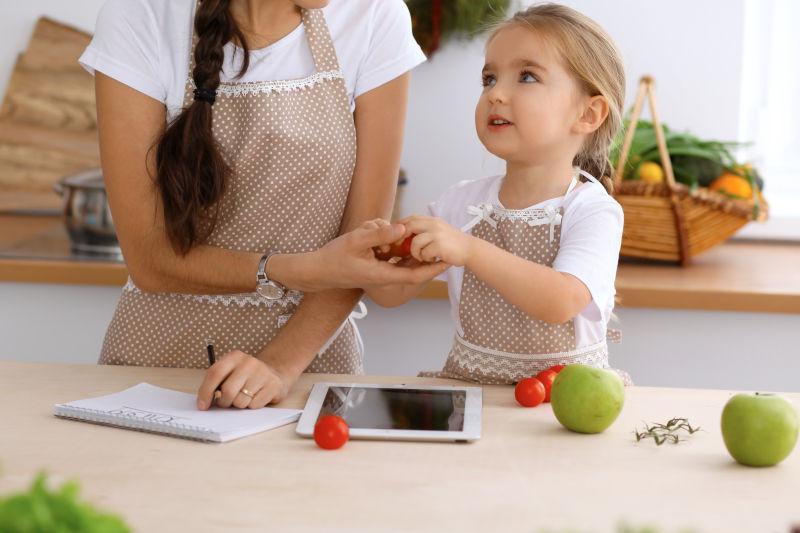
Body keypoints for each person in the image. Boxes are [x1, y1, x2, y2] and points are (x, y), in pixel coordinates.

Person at [80, 0, 447, 410]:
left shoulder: (374, 14)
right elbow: (150, 259)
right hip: (155, 375)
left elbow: (361, 246)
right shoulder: (142, 14)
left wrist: (278, 365)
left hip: (306, 371)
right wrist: (303, 270)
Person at [364, 3, 632, 385]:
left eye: (526, 76)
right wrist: (382, 251)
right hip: (471, 396)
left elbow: (561, 300)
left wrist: (468, 249)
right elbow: (389, 297)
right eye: (489, 79)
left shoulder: (592, 210)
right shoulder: (459, 205)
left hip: (563, 406)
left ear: (588, 115)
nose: (496, 94)